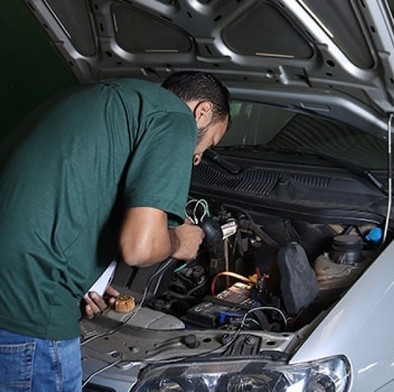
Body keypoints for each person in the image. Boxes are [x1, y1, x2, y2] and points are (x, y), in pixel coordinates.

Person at [0, 70, 230, 391]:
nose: (196, 159)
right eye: (209, 144)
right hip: (29, 312)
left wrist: (83, 282)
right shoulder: (175, 118)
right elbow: (140, 248)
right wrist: (181, 240)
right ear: (202, 111)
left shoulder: (87, 97)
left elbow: (61, 203)